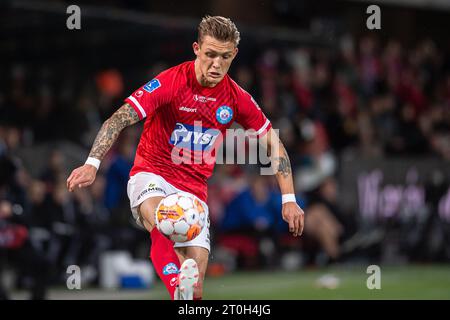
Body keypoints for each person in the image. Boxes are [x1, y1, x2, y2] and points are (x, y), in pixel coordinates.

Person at [66, 16, 304, 300]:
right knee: (161, 217)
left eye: (225, 57)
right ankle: (178, 283)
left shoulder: (237, 98)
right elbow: (118, 119)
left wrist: (289, 199)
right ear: (196, 48)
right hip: (152, 173)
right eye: (210, 54)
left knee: (195, 285)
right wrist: (92, 163)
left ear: (234, 55)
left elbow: (274, 145)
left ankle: (183, 293)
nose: (216, 64)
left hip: (194, 190)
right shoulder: (170, 82)